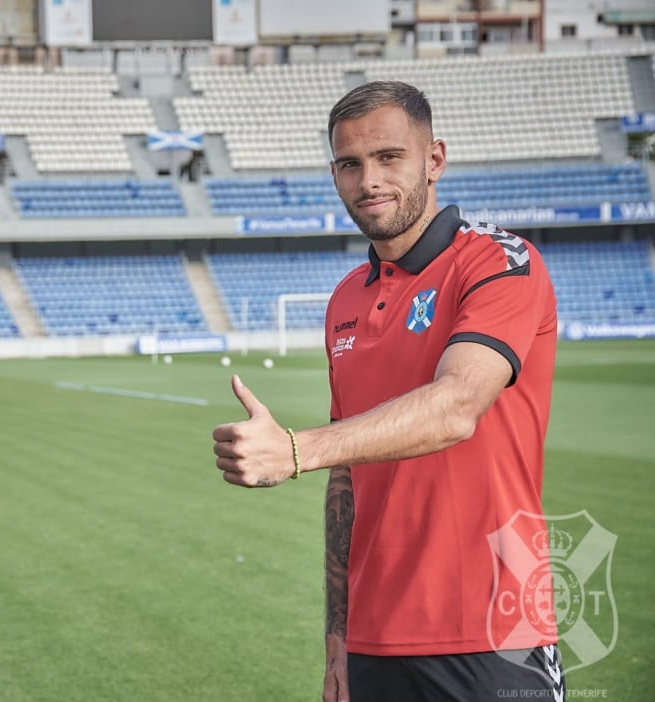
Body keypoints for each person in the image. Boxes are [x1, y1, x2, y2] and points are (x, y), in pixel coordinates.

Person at [211, 81, 563, 701]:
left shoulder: (499, 262)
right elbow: (346, 485)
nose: (368, 180)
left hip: (495, 631)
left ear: (434, 160)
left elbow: (457, 407)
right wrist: (337, 643)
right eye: (350, 164)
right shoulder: (344, 298)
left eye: (389, 157)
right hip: (374, 643)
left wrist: (295, 449)